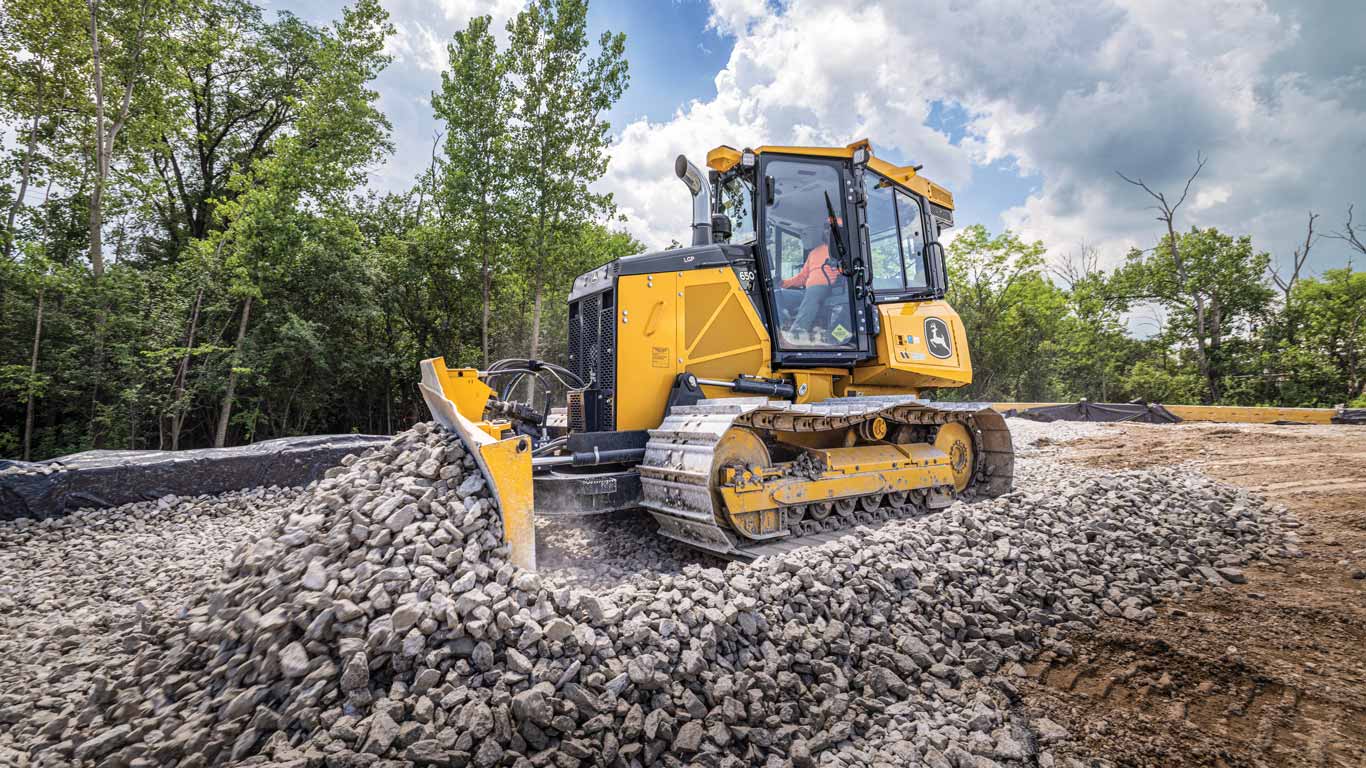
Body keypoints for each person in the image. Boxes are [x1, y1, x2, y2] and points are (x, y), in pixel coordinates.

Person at [781, 220, 843, 344]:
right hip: (809, 291)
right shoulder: (814, 253)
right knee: (778, 294)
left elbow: (846, 271)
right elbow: (802, 277)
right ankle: (780, 329)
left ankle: (797, 334)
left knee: (814, 292)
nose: (828, 230)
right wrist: (782, 283)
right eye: (826, 227)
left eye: (833, 228)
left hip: (828, 289)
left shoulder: (843, 251)